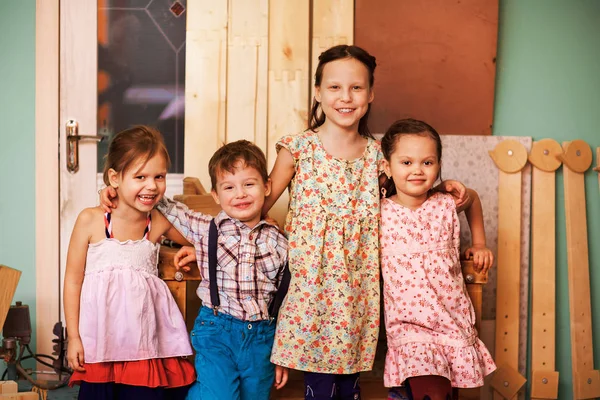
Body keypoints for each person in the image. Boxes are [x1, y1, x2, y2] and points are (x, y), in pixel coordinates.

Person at [262, 44, 467, 400]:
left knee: (350, 386)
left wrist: (442, 189)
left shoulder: (378, 156)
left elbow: (406, 202)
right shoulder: (297, 149)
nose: (345, 97)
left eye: (356, 88)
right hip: (313, 288)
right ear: (318, 92)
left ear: (370, 94)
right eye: (334, 87)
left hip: (359, 291)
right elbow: (255, 207)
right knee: (320, 389)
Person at [100, 140, 290, 400]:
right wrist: (114, 190)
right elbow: (165, 205)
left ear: (267, 186)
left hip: (262, 337)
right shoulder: (207, 228)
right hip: (218, 330)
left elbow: (288, 298)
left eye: (249, 184)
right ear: (216, 195)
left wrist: (284, 351)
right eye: (229, 187)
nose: (240, 194)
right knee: (219, 396)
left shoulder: (280, 241)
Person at [64, 126, 195, 400]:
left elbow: (197, 237)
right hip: (101, 341)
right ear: (114, 177)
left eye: (159, 176)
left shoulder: (157, 221)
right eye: (140, 177)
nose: (152, 185)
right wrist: (73, 336)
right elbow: (73, 280)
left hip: (143, 342)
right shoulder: (90, 220)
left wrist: (195, 251)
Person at [379, 119, 496, 400]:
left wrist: (479, 243)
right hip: (409, 325)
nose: (417, 170)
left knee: (445, 389)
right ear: (387, 167)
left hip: (450, 318)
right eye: (406, 162)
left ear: (438, 166)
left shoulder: (444, 203)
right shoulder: (379, 212)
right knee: (427, 387)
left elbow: (474, 199)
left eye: (427, 163)